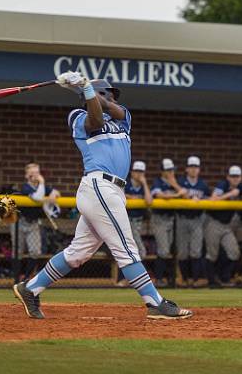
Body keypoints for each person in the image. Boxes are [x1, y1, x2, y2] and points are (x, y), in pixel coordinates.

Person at [13, 73, 192, 319]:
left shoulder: (123, 119)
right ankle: (155, 303)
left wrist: (85, 89)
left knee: (78, 253)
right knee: (126, 249)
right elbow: (95, 118)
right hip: (99, 186)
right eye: (108, 93)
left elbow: (110, 109)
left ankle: (30, 289)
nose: (113, 98)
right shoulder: (77, 117)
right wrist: (85, 91)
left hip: (114, 191)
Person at [13, 162, 61, 281]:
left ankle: (26, 277)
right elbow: (38, 197)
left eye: (37, 173)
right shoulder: (26, 187)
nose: (35, 176)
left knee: (35, 251)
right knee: (17, 252)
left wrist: (53, 194)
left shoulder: (42, 187)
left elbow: (56, 192)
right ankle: (16, 279)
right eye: (32, 173)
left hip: (33, 223)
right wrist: (43, 183)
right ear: (27, 176)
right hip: (20, 222)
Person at [207, 165, 242, 287]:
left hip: (227, 225)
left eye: (237, 177)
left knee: (234, 252)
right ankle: (212, 281)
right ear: (228, 177)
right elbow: (213, 199)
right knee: (212, 254)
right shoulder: (222, 185)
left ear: (241, 178)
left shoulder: (240, 187)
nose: (235, 179)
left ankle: (224, 278)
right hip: (213, 222)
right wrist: (230, 194)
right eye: (233, 176)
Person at [150, 158, 187, 287]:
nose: (171, 172)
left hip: (171, 219)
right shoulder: (157, 182)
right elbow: (159, 195)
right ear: (162, 171)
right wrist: (177, 195)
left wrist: (175, 184)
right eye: (168, 170)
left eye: (172, 169)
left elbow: (186, 195)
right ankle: (158, 278)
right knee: (164, 250)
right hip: (159, 219)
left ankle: (166, 278)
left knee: (167, 250)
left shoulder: (176, 182)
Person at [176, 155, 210, 287]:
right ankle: (184, 279)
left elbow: (210, 199)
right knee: (183, 252)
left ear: (199, 169)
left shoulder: (203, 185)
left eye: (196, 167)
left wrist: (200, 200)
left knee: (196, 251)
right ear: (186, 169)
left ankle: (195, 280)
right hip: (182, 218)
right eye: (191, 167)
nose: (194, 169)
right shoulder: (180, 182)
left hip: (197, 219)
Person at [118, 160, 153, 286]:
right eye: (136, 171)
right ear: (132, 172)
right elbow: (117, 194)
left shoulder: (144, 187)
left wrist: (144, 183)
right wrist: (132, 197)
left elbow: (149, 201)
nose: (138, 174)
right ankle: (129, 279)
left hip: (139, 223)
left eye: (141, 172)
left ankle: (126, 279)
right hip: (126, 221)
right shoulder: (125, 183)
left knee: (130, 251)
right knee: (138, 251)